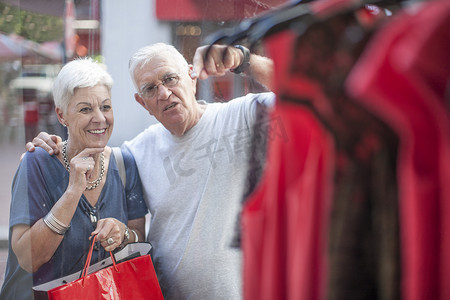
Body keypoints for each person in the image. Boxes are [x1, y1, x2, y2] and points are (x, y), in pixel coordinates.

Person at [25, 43, 275, 299]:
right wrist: (50, 144)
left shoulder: (240, 118)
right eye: (150, 88)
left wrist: (245, 60)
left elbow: (309, 91)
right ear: (142, 102)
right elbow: (93, 153)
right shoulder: (136, 152)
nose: (164, 93)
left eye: (170, 79)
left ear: (192, 78)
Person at [0, 58, 148, 300]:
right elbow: (29, 259)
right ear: (61, 115)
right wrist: (72, 191)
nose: (100, 118)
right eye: (85, 109)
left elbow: (138, 235)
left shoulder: (124, 164)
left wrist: (122, 234)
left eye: (106, 107)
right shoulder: (36, 163)